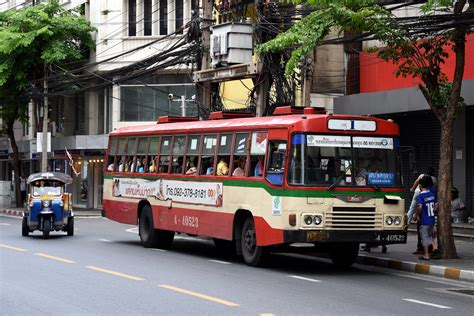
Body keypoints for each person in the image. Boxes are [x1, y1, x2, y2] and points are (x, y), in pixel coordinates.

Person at [415, 175, 438, 260]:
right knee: (429, 235)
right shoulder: (431, 194)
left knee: (424, 238)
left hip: (425, 220)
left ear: (420, 185)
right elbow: (435, 206)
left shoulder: (421, 196)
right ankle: (435, 248)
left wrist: (416, 215)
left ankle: (426, 255)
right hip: (432, 219)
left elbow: (419, 207)